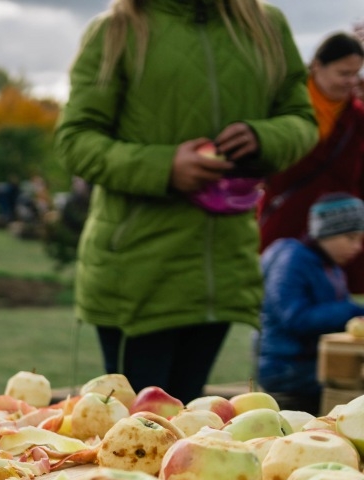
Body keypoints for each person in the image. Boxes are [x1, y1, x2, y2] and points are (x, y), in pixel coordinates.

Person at [55, 0, 317, 403]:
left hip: (222, 269)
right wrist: (165, 166)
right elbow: (76, 141)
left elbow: (301, 118)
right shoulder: (118, 30)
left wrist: (264, 136)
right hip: (138, 275)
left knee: (193, 433)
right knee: (137, 435)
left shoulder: (264, 26)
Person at [258, 32, 364, 291]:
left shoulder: (358, 116)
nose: (351, 81)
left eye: (356, 74)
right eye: (343, 73)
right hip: (288, 217)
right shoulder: (283, 105)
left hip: (340, 223)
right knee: (283, 291)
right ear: (317, 66)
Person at [257, 193, 364, 415]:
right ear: (327, 233)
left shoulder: (331, 267)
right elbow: (296, 318)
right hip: (287, 370)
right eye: (351, 238)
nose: (358, 247)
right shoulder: (291, 260)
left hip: (313, 366)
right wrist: (352, 311)